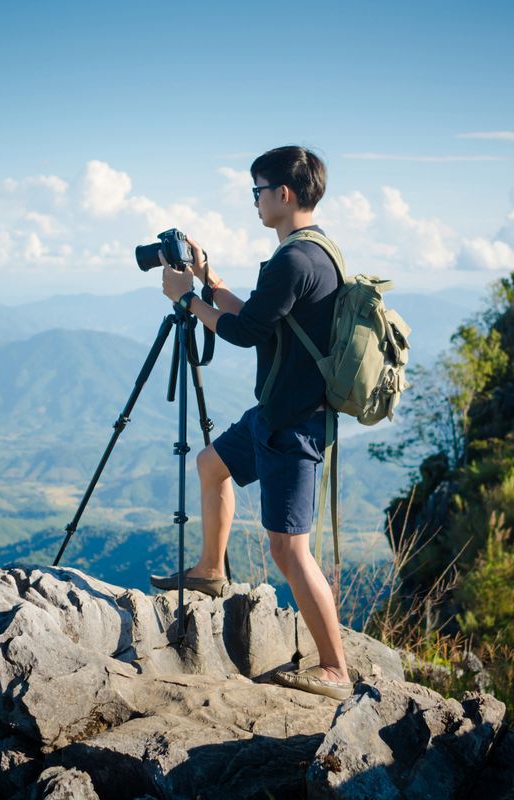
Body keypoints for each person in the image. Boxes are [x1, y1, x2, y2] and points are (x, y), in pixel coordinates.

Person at [152, 145, 351, 701]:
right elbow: (258, 316)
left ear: (283, 194)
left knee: (289, 549)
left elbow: (241, 335)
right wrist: (210, 281)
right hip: (275, 413)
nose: (255, 202)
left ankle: (334, 668)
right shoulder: (315, 253)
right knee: (211, 464)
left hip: (295, 426)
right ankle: (211, 571)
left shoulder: (295, 259)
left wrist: (188, 300)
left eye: (257, 191)